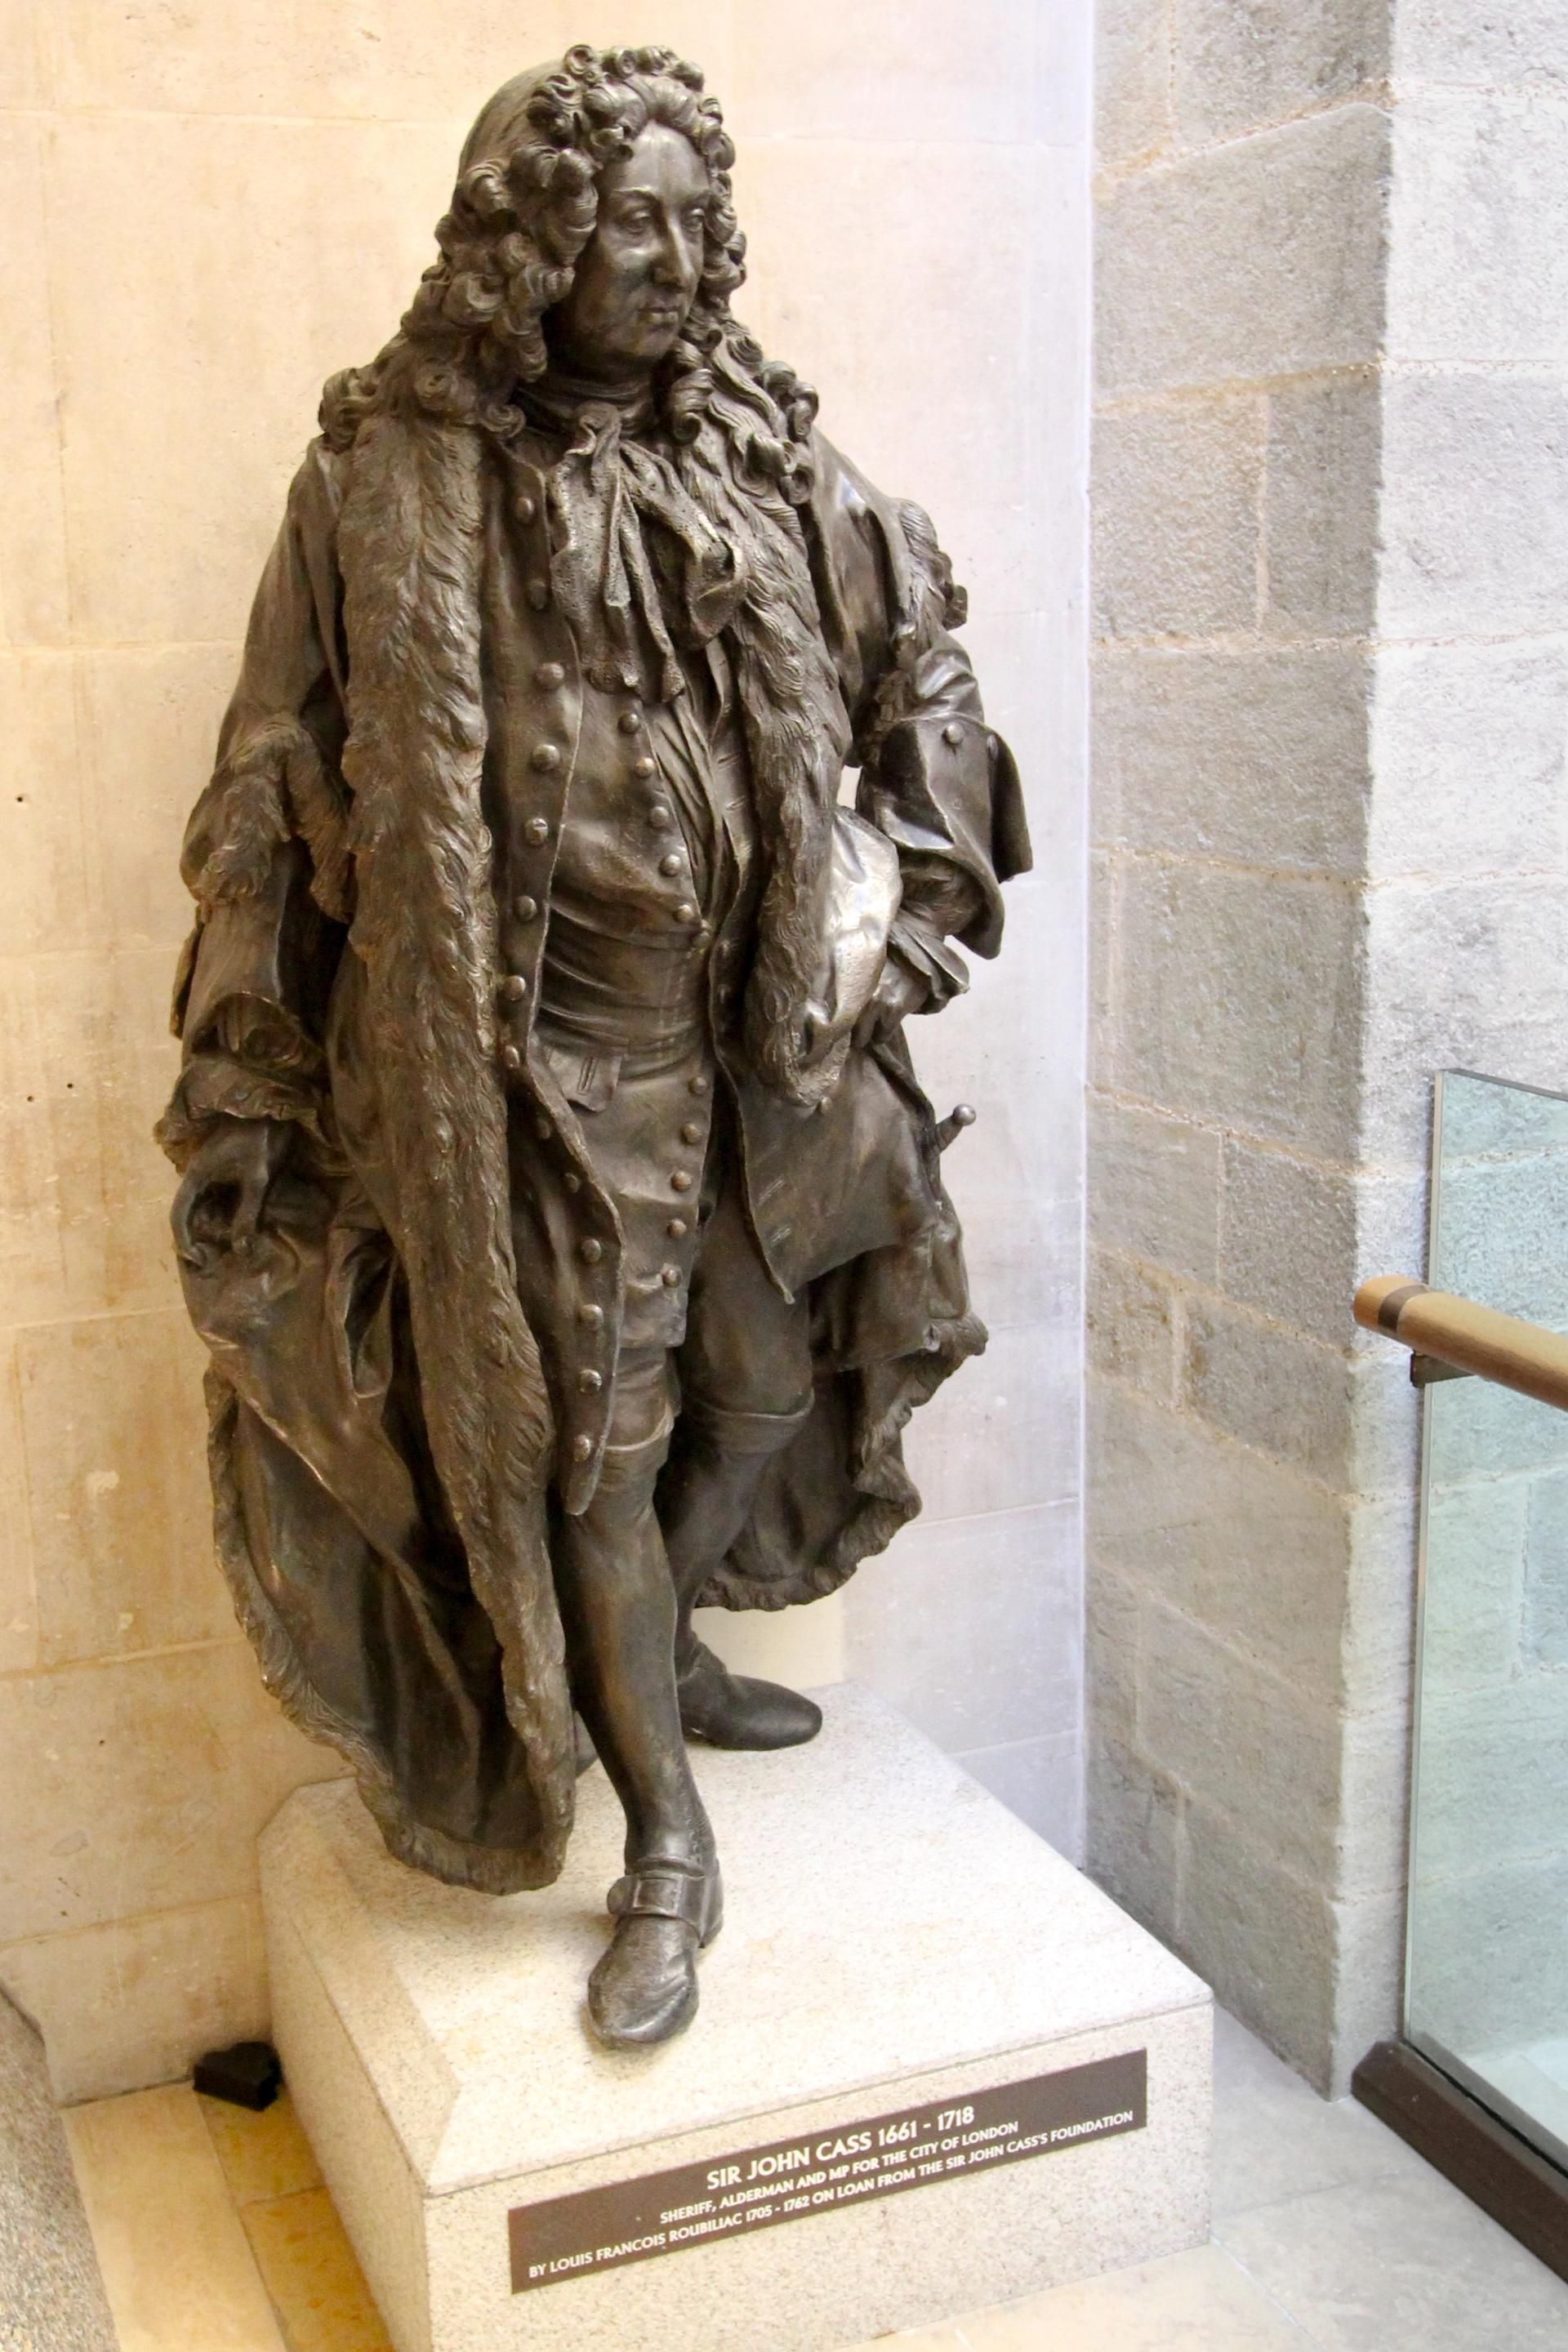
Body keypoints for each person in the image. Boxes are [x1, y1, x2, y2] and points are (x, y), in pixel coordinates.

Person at [160, 42, 1030, 2047]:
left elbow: (926, 670)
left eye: (695, 222)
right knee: (591, 1457)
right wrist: (253, 1047)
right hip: (542, 1079)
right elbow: (273, 762)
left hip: (760, 1056)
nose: (674, 258)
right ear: (531, 241)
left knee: (760, 1385)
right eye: (630, 221)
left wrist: (898, 902)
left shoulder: (765, 457)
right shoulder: (385, 480)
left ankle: (650, 1643)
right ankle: (664, 1840)